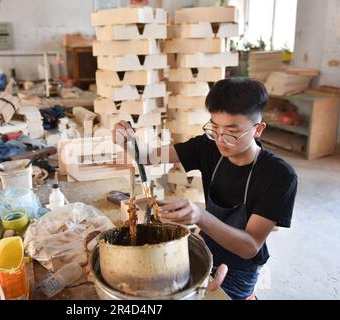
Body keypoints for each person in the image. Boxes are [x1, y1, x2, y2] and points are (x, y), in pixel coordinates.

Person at [112, 78, 297, 300]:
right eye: (214, 127)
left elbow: (250, 247)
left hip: (239, 270)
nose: (220, 139)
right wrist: (127, 141)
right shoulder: (208, 147)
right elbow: (149, 156)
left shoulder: (279, 176)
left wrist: (200, 216)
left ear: (258, 130)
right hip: (205, 248)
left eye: (231, 131)